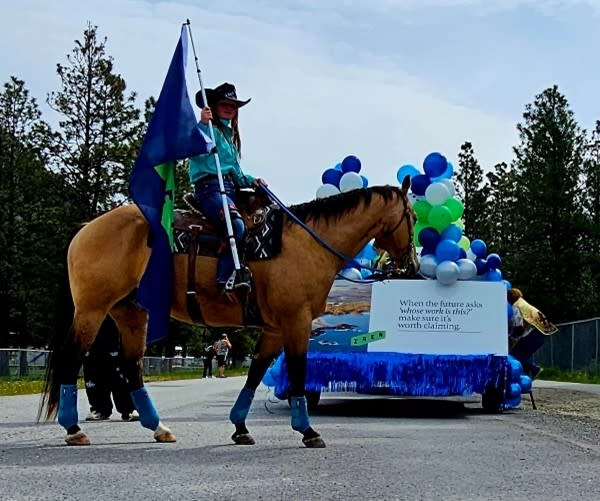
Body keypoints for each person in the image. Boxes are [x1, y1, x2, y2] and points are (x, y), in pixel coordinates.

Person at [189, 82, 267, 291]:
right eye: (224, 104)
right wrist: (204, 123)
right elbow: (193, 148)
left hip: (230, 188)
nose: (229, 108)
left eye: (233, 105)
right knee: (236, 225)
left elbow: (237, 174)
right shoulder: (208, 131)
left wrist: (253, 180)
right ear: (213, 106)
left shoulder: (228, 137)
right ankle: (225, 278)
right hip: (210, 188)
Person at [83, 317, 139, 421]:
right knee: (93, 369)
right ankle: (99, 408)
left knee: (120, 371)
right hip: (92, 321)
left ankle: (129, 409)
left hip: (115, 322)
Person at [508, 288, 558, 380]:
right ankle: (527, 375)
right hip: (541, 333)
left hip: (533, 334)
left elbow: (518, 325)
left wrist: (512, 336)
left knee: (514, 353)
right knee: (523, 356)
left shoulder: (516, 306)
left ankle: (534, 369)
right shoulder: (523, 304)